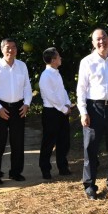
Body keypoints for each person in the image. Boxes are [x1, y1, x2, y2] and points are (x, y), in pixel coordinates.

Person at [76, 28, 108, 199]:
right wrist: (83, 112)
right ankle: (90, 185)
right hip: (94, 109)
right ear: (93, 43)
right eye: (97, 39)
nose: (101, 42)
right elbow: (81, 90)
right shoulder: (86, 62)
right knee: (91, 148)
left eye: (104, 38)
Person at [0, 38, 32, 184]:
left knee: (17, 142)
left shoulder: (22, 66)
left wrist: (27, 104)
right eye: (7, 47)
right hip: (0, 107)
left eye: (13, 47)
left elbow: (27, 87)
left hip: (18, 108)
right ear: (2, 49)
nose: (11, 50)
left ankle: (16, 172)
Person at [38, 47, 73, 179]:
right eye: (58, 56)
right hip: (51, 113)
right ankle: (45, 169)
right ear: (53, 60)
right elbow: (51, 96)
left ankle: (63, 167)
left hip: (61, 111)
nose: (60, 58)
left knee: (64, 141)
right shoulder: (45, 76)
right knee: (49, 142)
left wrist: (68, 103)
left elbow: (62, 91)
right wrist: (64, 109)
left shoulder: (56, 73)